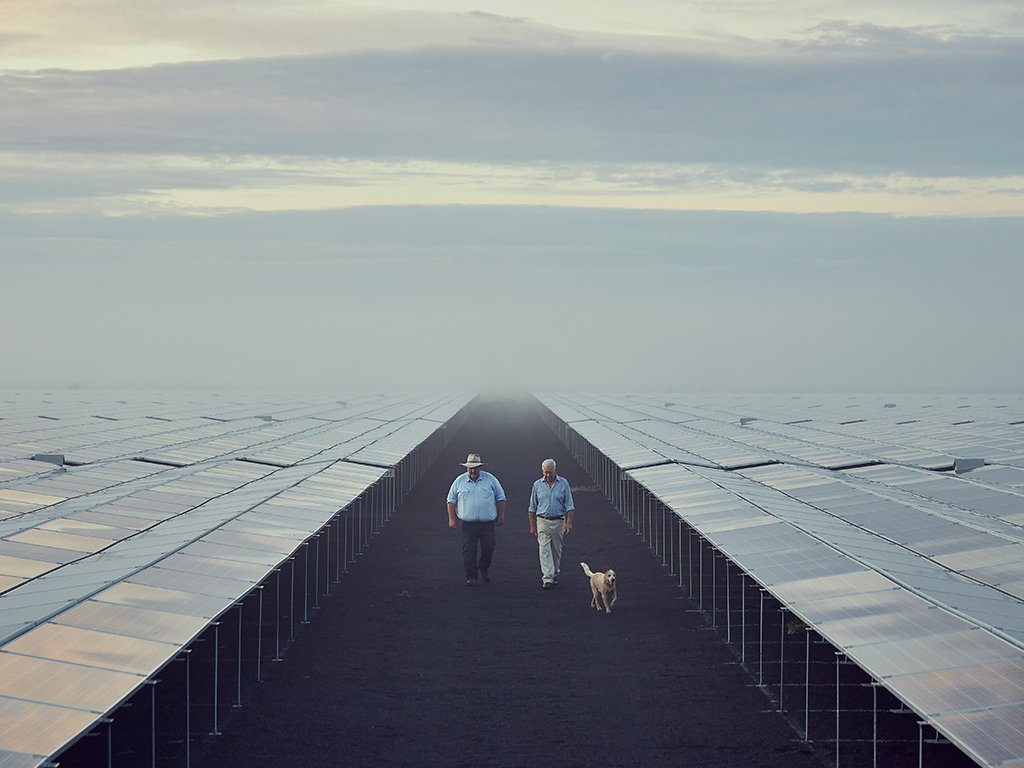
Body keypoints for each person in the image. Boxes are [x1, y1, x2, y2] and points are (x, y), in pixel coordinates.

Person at [447, 453, 506, 586]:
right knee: (468, 550)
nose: (473, 471)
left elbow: (500, 497)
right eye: (470, 468)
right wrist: (452, 519)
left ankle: (484, 567)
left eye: (475, 468)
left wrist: (501, 515)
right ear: (467, 468)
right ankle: (471, 576)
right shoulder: (459, 481)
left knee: (489, 547)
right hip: (467, 524)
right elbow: (451, 500)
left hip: (487, 524)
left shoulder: (490, 479)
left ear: (480, 467)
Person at [528, 458, 575, 589]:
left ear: (555, 470)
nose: (548, 475)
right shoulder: (537, 485)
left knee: (556, 550)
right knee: (544, 549)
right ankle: (547, 578)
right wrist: (532, 526)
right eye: (545, 472)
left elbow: (569, 505)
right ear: (542, 471)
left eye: (550, 472)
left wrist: (569, 523)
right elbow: (532, 507)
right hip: (542, 520)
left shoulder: (563, 483)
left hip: (559, 521)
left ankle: (554, 573)